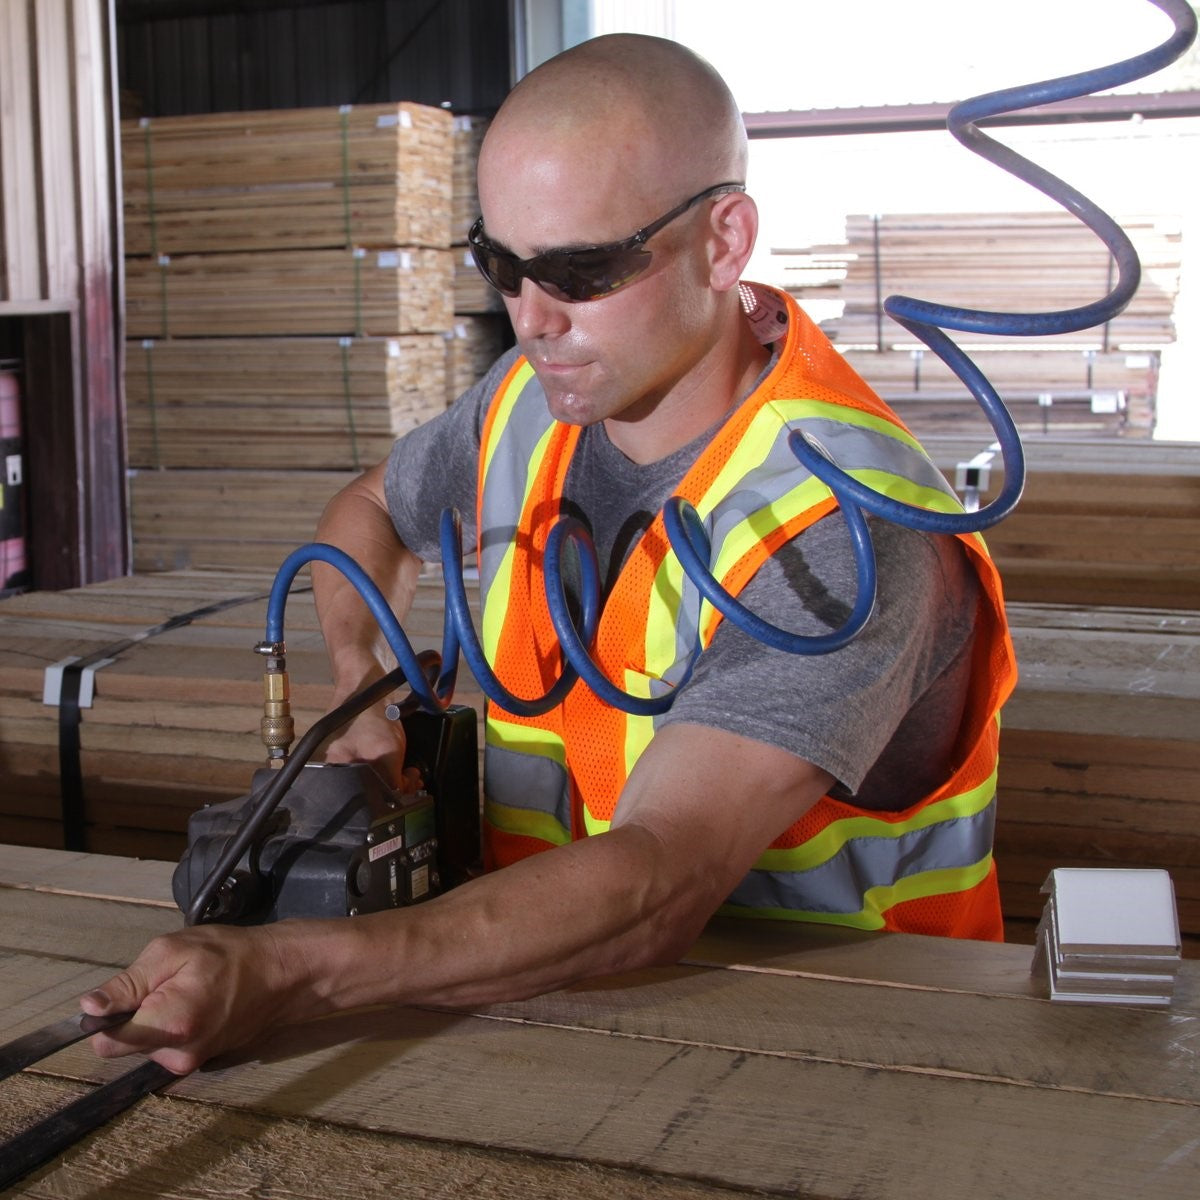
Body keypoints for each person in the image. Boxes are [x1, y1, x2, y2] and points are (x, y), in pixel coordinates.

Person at [82, 33, 1016, 1075]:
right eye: (503, 266)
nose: (533, 321)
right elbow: (368, 510)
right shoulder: (530, 406)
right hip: (541, 1008)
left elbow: (662, 876)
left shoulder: (842, 528)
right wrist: (360, 684)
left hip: (839, 1053)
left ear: (723, 240)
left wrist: (294, 974)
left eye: (581, 270)